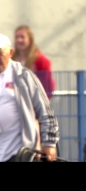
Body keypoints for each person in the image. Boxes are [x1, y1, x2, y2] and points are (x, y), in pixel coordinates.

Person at [0, 33, 59, 162]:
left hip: (20, 152)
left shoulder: (24, 76)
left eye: (0, 53)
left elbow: (45, 111)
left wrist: (49, 143)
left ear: (10, 53)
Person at [12, 25, 55, 99]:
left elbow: (48, 85)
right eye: (17, 37)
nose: (19, 40)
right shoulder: (11, 58)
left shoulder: (40, 60)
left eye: (22, 37)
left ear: (30, 39)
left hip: (33, 101)